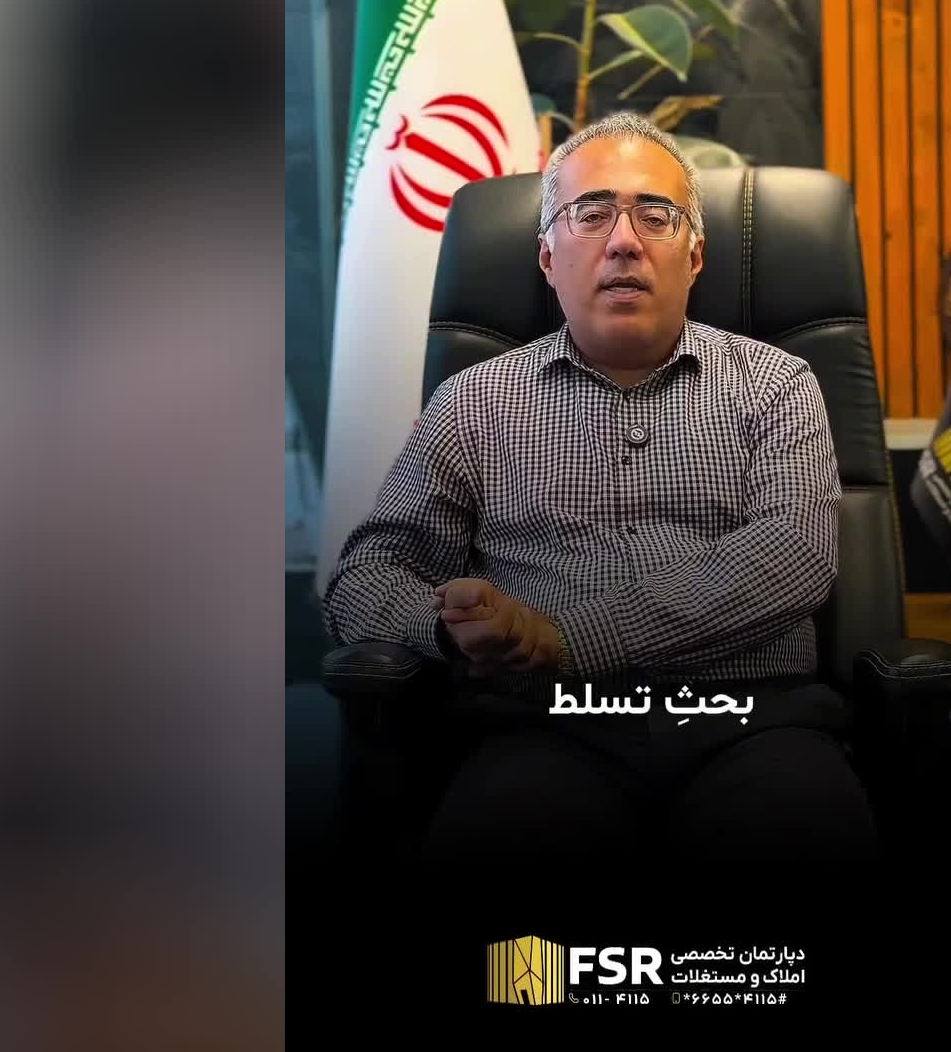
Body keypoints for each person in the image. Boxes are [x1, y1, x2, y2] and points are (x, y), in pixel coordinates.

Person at [320, 112, 877, 877]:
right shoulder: (473, 403)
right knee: (501, 897)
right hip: (541, 731)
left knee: (804, 873)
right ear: (547, 256)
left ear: (696, 256)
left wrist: (561, 639)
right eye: (591, 214)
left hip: (753, 722)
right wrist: (452, 630)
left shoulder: (776, 385)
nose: (623, 241)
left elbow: (794, 557)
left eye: (656, 215)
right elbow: (362, 580)